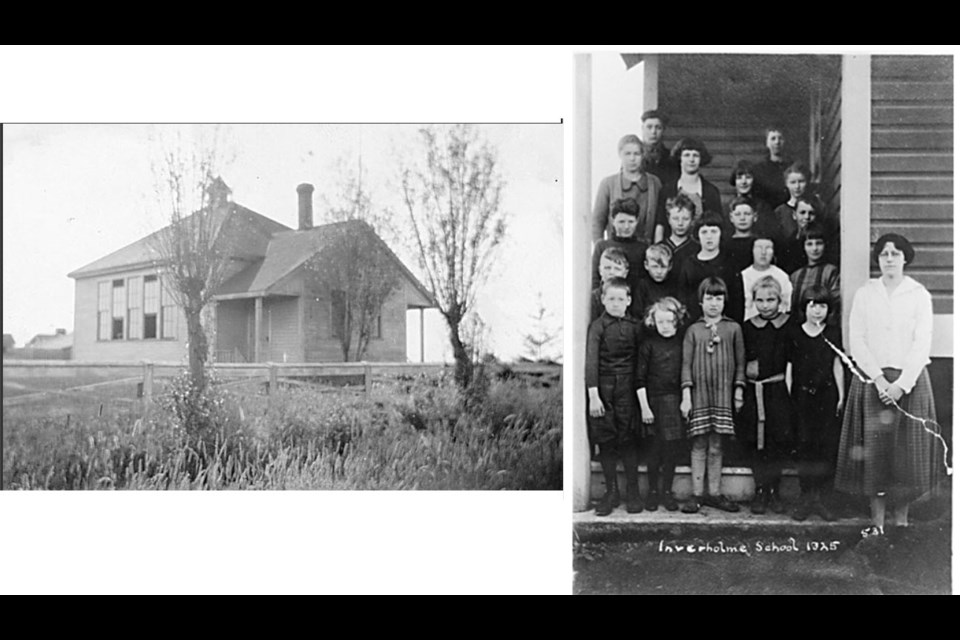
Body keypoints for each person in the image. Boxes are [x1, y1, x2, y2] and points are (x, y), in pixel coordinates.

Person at [835, 234, 942, 534]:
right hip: (873, 382)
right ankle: (877, 524)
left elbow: (923, 342)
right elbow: (857, 339)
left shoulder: (918, 294)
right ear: (878, 259)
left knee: (905, 452)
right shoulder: (866, 293)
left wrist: (902, 384)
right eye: (884, 254)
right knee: (875, 452)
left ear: (905, 258)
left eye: (896, 253)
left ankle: (902, 523)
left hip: (909, 382)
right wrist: (879, 380)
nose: (890, 259)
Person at [680, 277, 745, 514]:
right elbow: (685, 365)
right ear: (701, 301)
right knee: (699, 442)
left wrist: (738, 391)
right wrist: (686, 396)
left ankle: (714, 494)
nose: (714, 303)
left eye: (718, 298)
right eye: (709, 298)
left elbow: (740, 363)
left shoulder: (733, 329)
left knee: (717, 443)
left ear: (724, 300)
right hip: (699, 395)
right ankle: (697, 495)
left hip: (722, 395)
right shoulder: (693, 330)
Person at [586, 277, 646, 515]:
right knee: (607, 441)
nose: (616, 303)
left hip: (628, 390)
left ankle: (632, 491)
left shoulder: (636, 326)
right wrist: (594, 396)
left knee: (628, 439)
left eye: (621, 299)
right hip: (605, 390)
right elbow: (591, 362)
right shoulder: (598, 327)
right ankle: (610, 492)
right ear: (602, 299)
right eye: (611, 298)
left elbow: (642, 361)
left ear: (629, 300)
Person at [787, 285, 844, 522]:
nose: (817, 311)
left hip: (827, 397)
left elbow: (837, 364)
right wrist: (791, 396)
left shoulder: (832, 332)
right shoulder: (795, 333)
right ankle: (806, 497)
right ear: (804, 307)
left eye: (822, 306)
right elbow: (789, 367)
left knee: (825, 447)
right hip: (802, 397)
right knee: (805, 446)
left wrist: (841, 395)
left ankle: (822, 499)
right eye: (812, 305)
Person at [738, 276, 793, 515]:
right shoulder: (748, 327)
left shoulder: (789, 325)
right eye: (759, 300)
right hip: (754, 391)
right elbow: (742, 358)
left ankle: (775, 490)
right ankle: (761, 489)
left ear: (780, 300)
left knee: (777, 440)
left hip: (778, 390)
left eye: (770, 299)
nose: (765, 305)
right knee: (755, 442)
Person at [637, 296, 688, 512]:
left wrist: (685, 400)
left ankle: (667, 492)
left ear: (677, 320)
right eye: (660, 322)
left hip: (674, 402)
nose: (665, 327)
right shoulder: (648, 345)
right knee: (654, 450)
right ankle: (652, 493)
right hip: (653, 403)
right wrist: (644, 407)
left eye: (669, 322)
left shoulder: (682, 343)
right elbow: (639, 378)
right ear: (653, 322)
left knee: (671, 451)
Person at [592, 134, 662, 243]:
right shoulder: (608, 184)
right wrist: (600, 249)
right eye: (627, 154)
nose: (632, 158)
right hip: (616, 252)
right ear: (620, 155)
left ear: (643, 155)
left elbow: (660, 220)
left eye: (636, 154)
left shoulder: (654, 183)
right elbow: (598, 221)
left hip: (646, 252)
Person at [653, 137, 723, 243]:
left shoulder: (711, 191)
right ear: (679, 158)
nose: (691, 159)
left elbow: (717, 225)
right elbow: (660, 224)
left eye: (695, 155)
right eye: (687, 155)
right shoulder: (667, 190)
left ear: (701, 159)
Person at [676, 212, 734, 320]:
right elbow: (682, 298)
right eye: (704, 232)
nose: (709, 236)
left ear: (721, 233)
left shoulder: (729, 263)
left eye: (713, 231)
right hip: (695, 323)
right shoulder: (689, 264)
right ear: (697, 234)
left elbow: (736, 300)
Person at [788, 222, 841, 326]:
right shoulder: (795, 276)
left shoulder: (831, 272)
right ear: (803, 246)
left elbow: (835, 304)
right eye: (809, 244)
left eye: (819, 243)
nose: (814, 249)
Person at [591, 198, 648, 290]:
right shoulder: (601, 246)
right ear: (613, 221)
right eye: (621, 222)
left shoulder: (643, 248)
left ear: (637, 221)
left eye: (631, 222)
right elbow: (594, 279)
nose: (626, 227)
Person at [739, 235, 792, 323]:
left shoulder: (781, 276)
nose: (763, 252)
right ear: (752, 250)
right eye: (759, 248)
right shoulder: (743, 276)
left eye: (768, 248)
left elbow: (786, 306)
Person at [728, 160, 778, 241]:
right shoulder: (727, 207)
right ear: (734, 181)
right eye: (739, 178)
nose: (744, 182)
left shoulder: (764, 207)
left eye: (748, 177)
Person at [632, 243, 680, 325]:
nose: (659, 271)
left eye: (663, 267)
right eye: (655, 267)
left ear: (670, 266)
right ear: (646, 265)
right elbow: (637, 312)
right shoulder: (642, 285)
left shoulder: (675, 285)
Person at [778, 192, 821, 275]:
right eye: (802, 213)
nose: (807, 217)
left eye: (811, 213)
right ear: (794, 215)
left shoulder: (821, 240)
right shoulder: (789, 243)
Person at [752, 127, 791, 211]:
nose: (777, 142)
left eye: (780, 138)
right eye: (773, 139)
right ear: (767, 143)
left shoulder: (792, 167)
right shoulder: (759, 169)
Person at [639, 109, 679, 187]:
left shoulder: (671, 158)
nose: (653, 132)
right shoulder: (634, 155)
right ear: (643, 129)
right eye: (649, 127)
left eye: (658, 127)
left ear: (664, 130)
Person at [773, 162, 812, 242]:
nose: (797, 186)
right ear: (786, 184)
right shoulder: (780, 212)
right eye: (793, 182)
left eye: (801, 181)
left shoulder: (815, 207)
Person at [590, 246, 630, 322]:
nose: (612, 272)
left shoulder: (630, 295)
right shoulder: (594, 298)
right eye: (607, 268)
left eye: (617, 269)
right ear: (600, 271)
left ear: (625, 273)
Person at [662, 192, 699, 271]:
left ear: (692, 220)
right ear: (668, 219)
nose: (680, 223)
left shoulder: (697, 249)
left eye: (685, 219)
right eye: (675, 219)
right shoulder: (661, 247)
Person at [724, 196, 759, 273]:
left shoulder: (759, 243)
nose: (742, 218)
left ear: (755, 217)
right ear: (731, 218)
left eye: (747, 214)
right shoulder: (725, 244)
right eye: (737, 214)